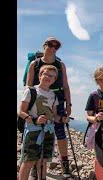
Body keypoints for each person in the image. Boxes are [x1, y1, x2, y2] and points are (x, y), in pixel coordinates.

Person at [25, 36, 73, 178]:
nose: (53, 48)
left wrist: (68, 104)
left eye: (56, 46)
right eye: (50, 45)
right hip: (38, 101)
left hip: (57, 100)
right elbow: (28, 85)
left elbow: (65, 86)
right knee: (37, 131)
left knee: (59, 132)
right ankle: (35, 165)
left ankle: (64, 163)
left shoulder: (60, 65)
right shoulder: (35, 64)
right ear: (44, 45)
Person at [18, 65, 64, 180]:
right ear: (40, 75)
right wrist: (34, 120)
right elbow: (21, 112)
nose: (49, 77)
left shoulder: (53, 95)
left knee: (43, 162)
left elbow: (53, 115)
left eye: (52, 76)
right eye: (46, 74)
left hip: (48, 131)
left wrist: (62, 119)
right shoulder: (31, 91)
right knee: (28, 161)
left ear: (54, 80)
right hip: (33, 131)